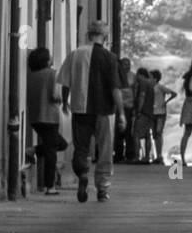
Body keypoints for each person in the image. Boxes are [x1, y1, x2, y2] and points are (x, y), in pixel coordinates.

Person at [58, 19, 125, 202]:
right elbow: (115, 89)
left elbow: (65, 82)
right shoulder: (110, 58)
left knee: (81, 147)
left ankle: (82, 175)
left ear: (88, 35)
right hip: (105, 111)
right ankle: (102, 189)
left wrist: (65, 102)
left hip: (80, 109)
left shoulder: (75, 54)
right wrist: (122, 114)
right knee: (104, 149)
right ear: (106, 37)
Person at [27, 47, 62, 194]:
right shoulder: (52, 74)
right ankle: (50, 186)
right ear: (46, 60)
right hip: (49, 117)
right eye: (50, 56)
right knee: (51, 152)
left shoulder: (31, 75)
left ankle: (32, 150)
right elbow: (55, 95)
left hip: (35, 117)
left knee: (55, 145)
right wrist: (62, 99)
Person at [115, 57, 137, 162]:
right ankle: (118, 155)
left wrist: (135, 108)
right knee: (118, 132)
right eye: (125, 64)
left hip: (129, 107)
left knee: (129, 132)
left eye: (128, 64)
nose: (127, 66)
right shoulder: (116, 76)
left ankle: (130, 155)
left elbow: (136, 92)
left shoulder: (133, 76)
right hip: (118, 107)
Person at [132, 67, 156, 163]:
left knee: (136, 134)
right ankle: (146, 157)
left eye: (137, 75)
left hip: (143, 112)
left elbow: (142, 96)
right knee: (147, 135)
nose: (136, 77)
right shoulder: (151, 84)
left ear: (141, 75)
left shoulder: (143, 83)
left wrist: (139, 110)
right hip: (150, 112)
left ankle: (137, 157)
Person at [151, 68, 174, 161]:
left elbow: (173, 93)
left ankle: (159, 155)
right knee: (154, 134)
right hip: (153, 112)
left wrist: (166, 102)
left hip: (160, 112)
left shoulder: (160, 87)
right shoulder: (150, 87)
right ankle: (156, 154)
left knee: (158, 133)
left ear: (155, 79)